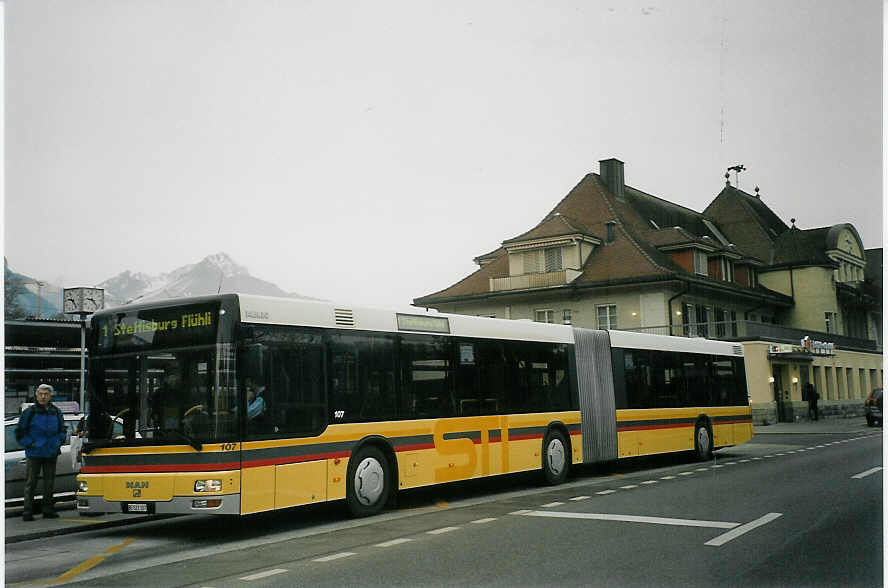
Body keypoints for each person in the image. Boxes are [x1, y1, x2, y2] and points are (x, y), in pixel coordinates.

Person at [15, 384, 67, 521]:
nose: (43, 396)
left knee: (49, 483)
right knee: (31, 483)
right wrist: (31, 444)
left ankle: (48, 510)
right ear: (36, 395)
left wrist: (58, 442)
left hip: (51, 452)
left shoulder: (56, 411)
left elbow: (62, 430)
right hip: (34, 453)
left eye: (46, 394)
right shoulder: (29, 412)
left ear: (50, 396)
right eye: (41, 394)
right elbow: (20, 432)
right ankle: (27, 511)